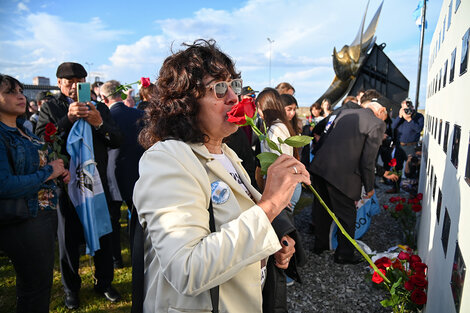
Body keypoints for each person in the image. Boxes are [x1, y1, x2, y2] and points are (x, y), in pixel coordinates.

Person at [133, 39, 310, 313]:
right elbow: (187, 269)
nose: (233, 97)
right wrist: (270, 206)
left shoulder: (226, 154)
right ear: (186, 103)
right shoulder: (167, 159)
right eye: (218, 88)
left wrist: (270, 247)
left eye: (233, 85)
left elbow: (235, 228)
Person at [35, 62, 123, 309]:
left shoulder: (99, 107)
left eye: (79, 81)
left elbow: (116, 139)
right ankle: (71, 288)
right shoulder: (51, 107)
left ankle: (104, 282)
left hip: (96, 182)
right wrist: (67, 119)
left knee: (104, 233)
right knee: (68, 239)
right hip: (67, 185)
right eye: (69, 82)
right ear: (59, 84)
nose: (74, 86)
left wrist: (98, 123)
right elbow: (42, 139)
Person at [0, 74, 69, 312]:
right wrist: (48, 172)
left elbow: (33, 166)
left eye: (20, 90)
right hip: (23, 220)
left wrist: (57, 171)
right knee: (34, 288)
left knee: (39, 285)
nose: (19, 96)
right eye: (10, 91)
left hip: (42, 214)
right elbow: (4, 184)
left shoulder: (22, 129)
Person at [309, 100, 387, 264]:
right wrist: (369, 186)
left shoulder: (344, 113)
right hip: (342, 175)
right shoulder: (377, 123)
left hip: (320, 167)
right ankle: (344, 253)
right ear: (381, 111)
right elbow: (368, 160)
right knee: (347, 215)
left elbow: (323, 136)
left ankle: (320, 245)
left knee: (322, 208)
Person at [100, 80, 145, 267]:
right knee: (138, 219)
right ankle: (140, 255)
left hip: (112, 174)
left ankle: (116, 258)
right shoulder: (139, 114)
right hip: (137, 172)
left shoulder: (104, 118)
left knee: (113, 221)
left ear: (103, 98)